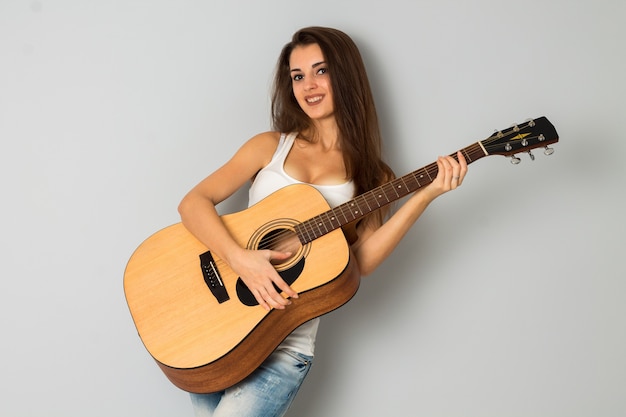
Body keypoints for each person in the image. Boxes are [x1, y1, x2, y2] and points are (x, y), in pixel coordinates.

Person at [177, 26, 468, 417]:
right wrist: (239, 258)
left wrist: (426, 196)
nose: (308, 86)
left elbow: (360, 263)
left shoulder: (372, 175)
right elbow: (193, 203)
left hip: (284, 347)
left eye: (320, 71)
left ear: (345, 75)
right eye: (298, 76)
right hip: (217, 326)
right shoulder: (269, 146)